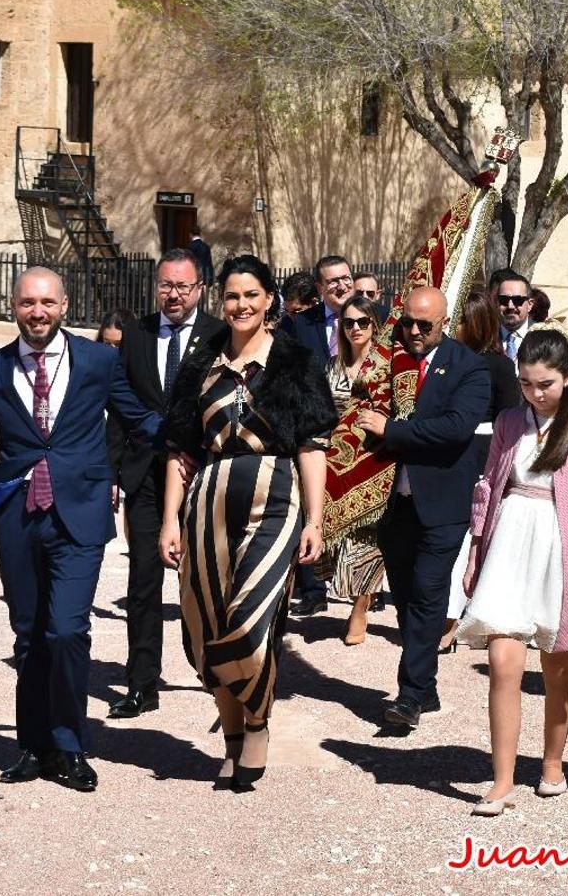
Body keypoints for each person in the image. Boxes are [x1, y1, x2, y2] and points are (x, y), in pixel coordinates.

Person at [0, 267, 161, 792]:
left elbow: (138, 418)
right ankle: (33, 746)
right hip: (17, 520)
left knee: (67, 630)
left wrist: (194, 439)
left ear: (64, 304)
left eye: (48, 302)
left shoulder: (99, 360)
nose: (38, 312)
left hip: (79, 513)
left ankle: (71, 745)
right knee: (29, 635)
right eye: (28, 302)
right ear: (14, 306)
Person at [159, 254, 335, 790]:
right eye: (232, 296)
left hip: (275, 499)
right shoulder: (200, 363)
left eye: (251, 295)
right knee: (208, 619)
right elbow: (180, 451)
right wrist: (169, 518)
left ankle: (257, 720)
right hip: (207, 502)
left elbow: (312, 446)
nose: (241, 305)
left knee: (251, 619)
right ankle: (232, 739)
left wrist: (316, 519)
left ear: (269, 299)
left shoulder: (296, 361)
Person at [456, 330, 568, 815]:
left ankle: (552, 761)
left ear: (567, 379)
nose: (535, 392)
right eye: (527, 383)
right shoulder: (509, 421)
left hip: (561, 545)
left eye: (545, 383)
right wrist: (475, 553)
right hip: (509, 541)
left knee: (558, 662)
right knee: (503, 663)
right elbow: (488, 485)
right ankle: (502, 780)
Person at [356, 287, 491, 729]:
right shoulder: (388, 363)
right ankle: (426, 686)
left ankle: (409, 696)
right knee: (408, 597)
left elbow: (455, 429)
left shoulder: (470, 368)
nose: (413, 331)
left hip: (443, 503)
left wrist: (391, 430)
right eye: (408, 322)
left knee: (429, 596)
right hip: (395, 505)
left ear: (444, 323)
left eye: (424, 325)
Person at [104, 249, 226, 720]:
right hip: (145, 476)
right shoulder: (135, 335)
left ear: (199, 290)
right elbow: (120, 402)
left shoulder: (219, 335)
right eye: (166, 286)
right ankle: (141, 682)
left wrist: (193, 444)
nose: (173, 295)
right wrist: (116, 472)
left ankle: (215, 676)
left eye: (183, 287)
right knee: (143, 580)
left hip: (199, 473)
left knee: (205, 579)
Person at [441, 289, 522, 646]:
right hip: (450, 451)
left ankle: (456, 619)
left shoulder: (499, 365)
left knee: (472, 541)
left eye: (460, 319)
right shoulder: (448, 358)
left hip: (483, 456)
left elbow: (509, 417)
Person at [314, 294, 394, 644]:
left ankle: (360, 609)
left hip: (372, 460)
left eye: (363, 322)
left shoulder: (386, 368)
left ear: (374, 326)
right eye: (349, 323)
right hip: (331, 462)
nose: (356, 328)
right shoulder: (330, 366)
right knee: (329, 539)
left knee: (367, 538)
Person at [280, 254, 353, 616]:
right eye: (332, 281)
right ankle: (312, 588)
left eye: (345, 278)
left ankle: (362, 586)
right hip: (312, 428)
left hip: (358, 430)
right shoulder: (299, 325)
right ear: (321, 289)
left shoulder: (375, 318)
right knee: (311, 503)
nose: (341, 285)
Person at [493, 268, 534, 360]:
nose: (510, 306)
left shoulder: (542, 336)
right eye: (504, 300)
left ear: (530, 305)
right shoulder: (486, 338)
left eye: (517, 300)